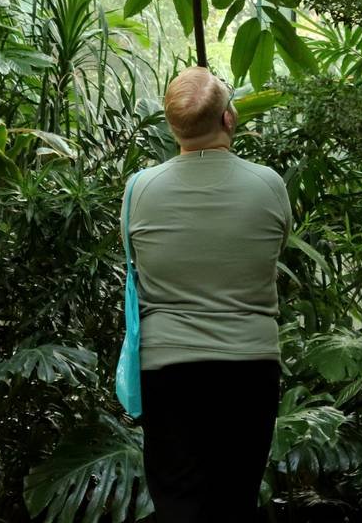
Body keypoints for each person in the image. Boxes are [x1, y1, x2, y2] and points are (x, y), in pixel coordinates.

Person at [122, 67, 292, 523]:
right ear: (229, 119)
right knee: (234, 499)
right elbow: (274, 250)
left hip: (170, 367)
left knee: (179, 502)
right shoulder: (268, 184)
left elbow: (136, 259)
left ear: (172, 126)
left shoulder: (140, 189)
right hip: (250, 365)